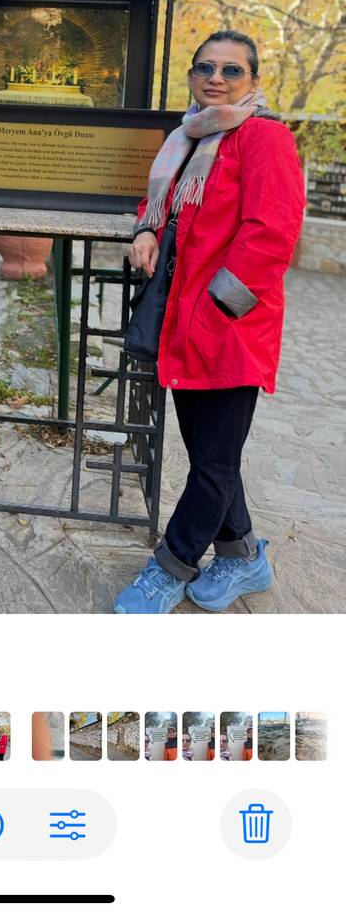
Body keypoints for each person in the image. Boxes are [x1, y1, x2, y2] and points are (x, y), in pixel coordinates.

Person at [114, 31, 305, 615]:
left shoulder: (264, 137)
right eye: (205, 67)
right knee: (209, 456)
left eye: (231, 69)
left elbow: (272, 233)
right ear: (192, 76)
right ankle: (243, 557)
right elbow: (164, 207)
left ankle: (170, 566)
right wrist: (147, 229)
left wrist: (218, 309)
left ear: (253, 81)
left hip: (230, 327)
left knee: (214, 462)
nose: (216, 78)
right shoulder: (187, 138)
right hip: (184, 322)